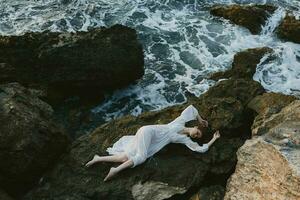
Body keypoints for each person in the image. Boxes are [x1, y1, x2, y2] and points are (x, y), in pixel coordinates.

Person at [85, 104, 221, 181]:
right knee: (141, 157)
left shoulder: (185, 140)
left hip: (150, 141)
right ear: (196, 127)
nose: (195, 136)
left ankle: (98, 158)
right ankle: (115, 170)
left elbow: (201, 149)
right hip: (148, 132)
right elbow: (192, 108)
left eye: (197, 137)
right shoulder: (180, 121)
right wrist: (201, 119)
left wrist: (214, 139)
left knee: (126, 156)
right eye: (197, 133)